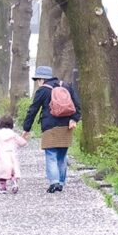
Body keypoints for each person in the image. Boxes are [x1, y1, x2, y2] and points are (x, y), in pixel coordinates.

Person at [21, 65, 82, 193]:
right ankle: (61, 182)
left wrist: (26, 128)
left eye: (38, 80)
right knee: (62, 156)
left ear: (41, 79)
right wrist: (74, 119)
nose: (38, 83)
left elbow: (33, 110)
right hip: (66, 126)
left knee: (51, 155)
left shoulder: (43, 90)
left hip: (50, 126)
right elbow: (77, 105)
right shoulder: (66, 86)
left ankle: (54, 182)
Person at [0, 115, 27, 194]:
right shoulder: (13, 134)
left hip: (1, 157)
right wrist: (24, 137)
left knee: (2, 174)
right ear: (12, 125)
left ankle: (3, 188)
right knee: (12, 172)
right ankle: (14, 183)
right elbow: (22, 143)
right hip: (12, 156)